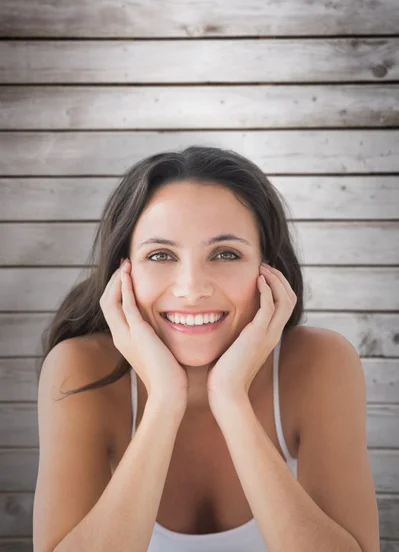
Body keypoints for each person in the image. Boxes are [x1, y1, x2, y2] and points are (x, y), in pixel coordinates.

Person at [33, 146, 379, 552]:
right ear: (122, 272)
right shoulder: (79, 369)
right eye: (160, 255)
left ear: (268, 268)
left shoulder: (321, 363)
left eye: (226, 253)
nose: (192, 289)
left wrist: (230, 399)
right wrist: (164, 401)